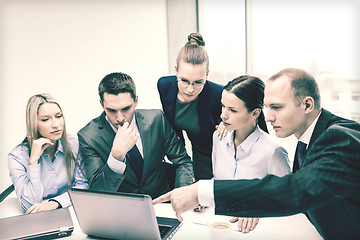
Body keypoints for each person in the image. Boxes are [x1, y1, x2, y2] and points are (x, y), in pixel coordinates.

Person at [154, 68, 360, 239]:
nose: (268, 118)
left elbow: (296, 189)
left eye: (277, 108)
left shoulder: (339, 138)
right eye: (267, 107)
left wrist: (202, 191)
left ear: (307, 104)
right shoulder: (307, 141)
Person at [78, 72, 194, 199]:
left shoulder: (156, 119)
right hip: (122, 211)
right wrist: (116, 157)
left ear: (136, 101)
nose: (120, 118)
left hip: (161, 204)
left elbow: (182, 161)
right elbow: (98, 192)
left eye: (125, 109)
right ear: (102, 104)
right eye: (111, 110)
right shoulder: (88, 137)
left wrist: (182, 196)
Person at [212, 75, 290, 233]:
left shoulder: (273, 152)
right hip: (218, 223)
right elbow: (217, 182)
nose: (223, 115)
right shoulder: (218, 137)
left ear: (254, 114)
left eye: (232, 110)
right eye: (223, 106)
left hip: (255, 231)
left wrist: (258, 208)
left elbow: (288, 199)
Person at [157, 33, 223, 180]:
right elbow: (172, 126)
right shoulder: (164, 86)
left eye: (198, 82)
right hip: (190, 147)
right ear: (176, 70)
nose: (190, 89)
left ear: (207, 74)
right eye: (184, 80)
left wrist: (227, 123)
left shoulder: (218, 94)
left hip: (212, 150)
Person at [8, 94, 89, 214]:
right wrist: (33, 161)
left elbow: (83, 187)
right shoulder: (17, 157)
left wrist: (54, 203)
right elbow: (28, 206)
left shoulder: (75, 144)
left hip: (71, 211)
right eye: (45, 119)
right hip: (38, 218)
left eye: (58, 116)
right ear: (33, 123)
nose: (56, 124)